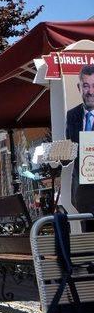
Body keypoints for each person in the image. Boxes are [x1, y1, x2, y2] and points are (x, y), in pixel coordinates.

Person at [66, 64, 94, 230]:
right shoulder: (72, 115)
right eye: (86, 86)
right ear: (79, 87)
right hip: (83, 193)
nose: (90, 91)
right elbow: (70, 147)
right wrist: (59, 156)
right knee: (90, 239)